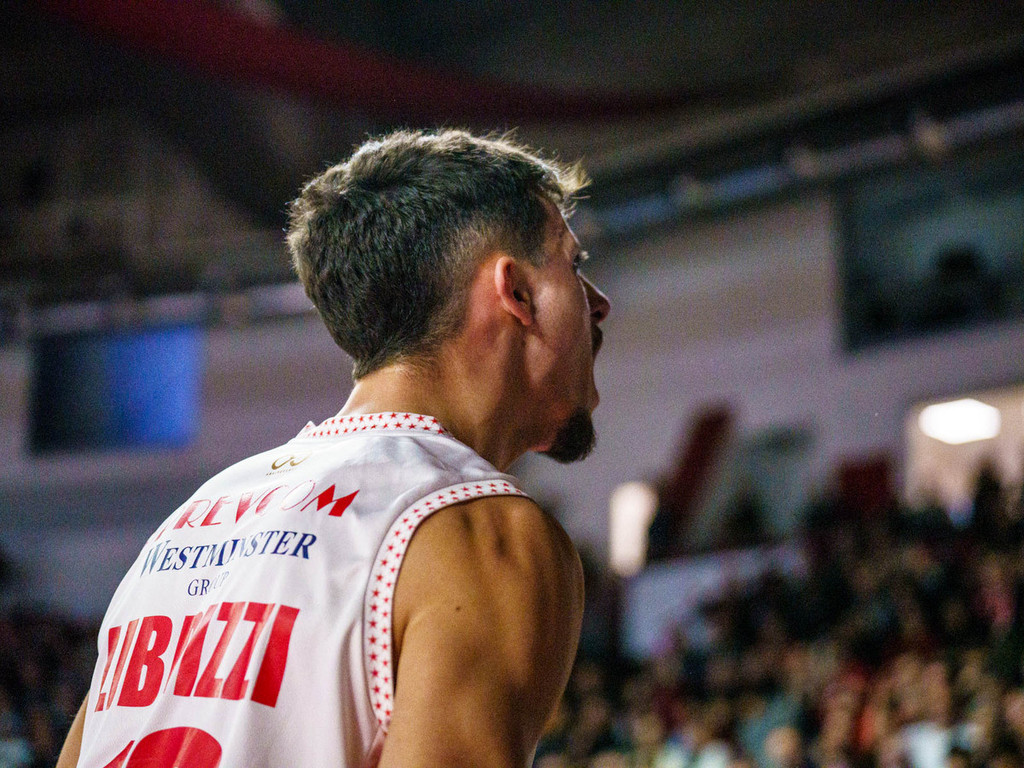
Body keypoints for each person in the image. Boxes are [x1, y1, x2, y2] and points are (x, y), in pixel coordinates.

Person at [57, 128, 611, 767]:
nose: (599, 304)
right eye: (574, 265)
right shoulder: (481, 529)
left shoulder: (184, 527)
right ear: (515, 293)